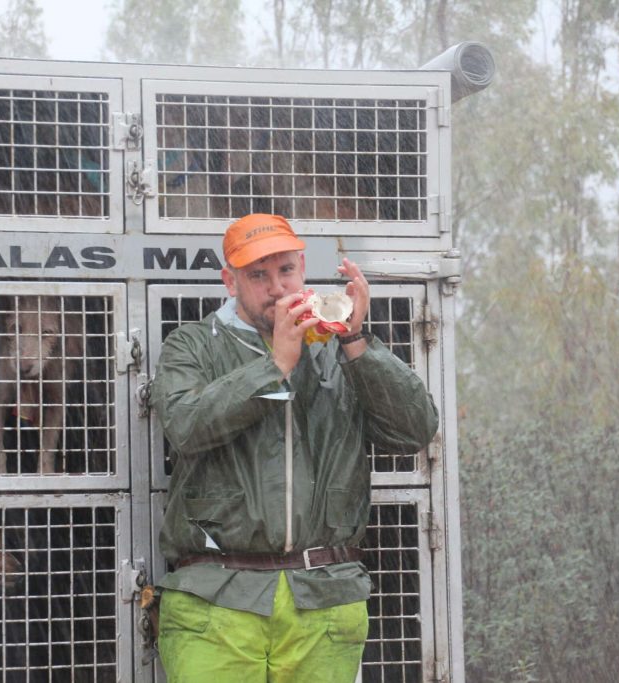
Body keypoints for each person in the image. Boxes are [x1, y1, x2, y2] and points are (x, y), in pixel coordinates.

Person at [151, 213, 439, 682]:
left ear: (303, 268)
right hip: (217, 598)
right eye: (257, 275)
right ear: (230, 281)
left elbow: (414, 431)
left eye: (285, 270)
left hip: (323, 597)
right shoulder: (194, 344)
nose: (276, 287)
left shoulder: (337, 348)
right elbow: (185, 426)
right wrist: (275, 367)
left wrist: (357, 341)